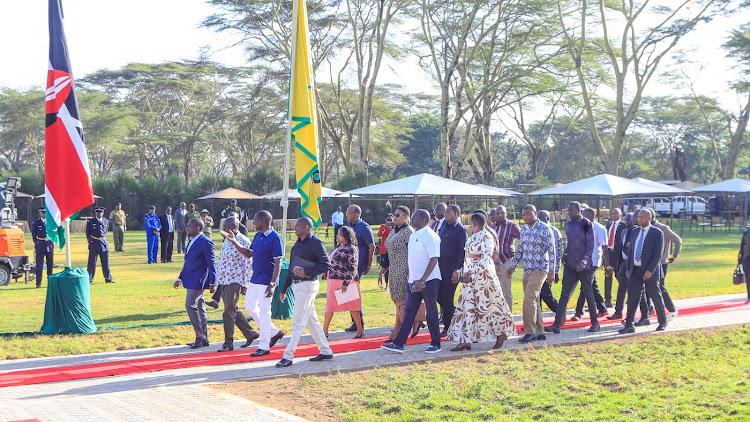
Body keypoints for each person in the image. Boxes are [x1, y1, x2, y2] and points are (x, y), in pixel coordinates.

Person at [447, 212, 515, 351]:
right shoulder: (473, 237)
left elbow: (485, 259)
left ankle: (501, 333)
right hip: (469, 279)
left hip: (484, 279)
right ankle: (465, 340)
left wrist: (470, 271)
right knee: (467, 307)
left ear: (474, 224)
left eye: (471, 224)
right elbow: (468, 257)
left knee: (490, 306)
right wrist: (463, 271)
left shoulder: (486, 236)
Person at [381, 209, 443, 354]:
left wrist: (422, 280)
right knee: (409, 311)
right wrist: (411, 278)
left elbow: (434, 259)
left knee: (431, 312)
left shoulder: (430, 236)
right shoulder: (414, 234)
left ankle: (436, 343)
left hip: (428, 280)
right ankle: (399, 343)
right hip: (413, 281)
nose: (412, 219)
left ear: (423, 220)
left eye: (414, 217)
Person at [276, 217, 333, 367]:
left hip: (308, 284)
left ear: (307, 227)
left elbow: (326, 265)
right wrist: (284, 288)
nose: (294, 228)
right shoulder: (297, 244)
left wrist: (306, 271)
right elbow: (291, 268)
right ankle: (325, 350)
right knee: (310, 320)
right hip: (297, 285)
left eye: (297, 226)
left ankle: (288, 356)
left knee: (298, 321)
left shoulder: (315, 243)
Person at [545, 201, 598, 334]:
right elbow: (570, 242)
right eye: (568, 211)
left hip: (584, 267)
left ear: (579, 211)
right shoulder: (568, 224)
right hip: (570, 265)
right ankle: (556, 325)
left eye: (571, 211)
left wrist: (584, 261)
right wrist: (565, 254)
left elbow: (590, 245)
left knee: (588, 293)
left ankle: (595, 323)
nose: (569, 213)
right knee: (564, 295)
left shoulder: (586, 224)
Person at [509, 205, 556, 343]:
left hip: (540, 268)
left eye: (528, 214)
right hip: (527, 270)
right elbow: (520, 249)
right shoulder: (523, 229)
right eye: (524, 215)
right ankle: (540, 331)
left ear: (535, 213)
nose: (526, 217)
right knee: (534, 300)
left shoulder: (544, 229)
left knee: (529, 298)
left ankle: (530, 331)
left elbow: (552, 251)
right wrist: (512, 266)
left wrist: (552, 272)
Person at [214, 217, 260, 352]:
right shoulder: (227, 240)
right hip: (224, 279)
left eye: (227, 227)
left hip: (235, 280)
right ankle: (250, 333)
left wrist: (245, 284)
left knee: (228, 310)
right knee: (232, 308)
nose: (225, 229)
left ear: (235, 226)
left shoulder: (243, 241)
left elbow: (248, 264)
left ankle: (228, 343)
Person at [619, 208, 668, 334]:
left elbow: (658, 254)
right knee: (632, 297)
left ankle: (662, 321)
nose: (639, 219)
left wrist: (650, 270)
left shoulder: (657, 233)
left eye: (642, 217)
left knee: (655, 296)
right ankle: (629, 324)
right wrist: (629, 268)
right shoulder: (635, 231)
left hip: (649, 271)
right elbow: (632, 251)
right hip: (635, 270)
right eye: (638, 217)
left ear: (649, 219)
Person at [175, 218, 217, 349]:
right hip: (190, 278)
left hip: (199, 280)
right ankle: (204, 337)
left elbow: (212, 264)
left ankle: (200, 336)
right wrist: (180, 278)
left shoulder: (206, 242)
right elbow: (188, 262)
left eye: (190, 227)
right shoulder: (192, 240)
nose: (187, 228)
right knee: (200, 307)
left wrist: (213, 281)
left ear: (198, 228)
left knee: (190, 305)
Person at [379, 206, 418, 343]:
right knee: (396, 300)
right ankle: (412, 325)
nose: (394, 217)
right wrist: (383, 268)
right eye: (394, 215)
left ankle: (397, 332)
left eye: (398, 215)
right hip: (393, 269)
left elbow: (413, 253)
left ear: (406, 217)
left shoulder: (409, 232)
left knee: (401, 301)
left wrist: (410, 272)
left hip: (404, 270)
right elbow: (387, 249)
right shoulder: (393, 230)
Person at [323, 226, 364, 338]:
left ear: (346, 236)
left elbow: (353, 267)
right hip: (333, 280)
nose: (337, 235)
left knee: (353, 307)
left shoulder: (351, 248)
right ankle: (324, 331)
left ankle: (360, 330)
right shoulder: (337, 247)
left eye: (340, 234)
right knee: (330, 306)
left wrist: (346, 282)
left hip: (346, 281)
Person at [571, 208, 609, 319]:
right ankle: (602, 308)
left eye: (584, 215)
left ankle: (578, 312)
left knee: (585, 285)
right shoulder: (581, 227)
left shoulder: (600, 229)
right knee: (592, 285)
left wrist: (607, 264)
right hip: (582, 261)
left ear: (591, 216)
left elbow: (604, 247)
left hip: (593, 261)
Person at [437, 204, 467, 336]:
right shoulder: (443, 227)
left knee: (447, 298)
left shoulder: (460, 230)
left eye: (448, 212)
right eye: (445, 212)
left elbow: (463, 251)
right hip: (439, 268)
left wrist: (458, 269)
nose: (445, 214)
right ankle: (458, 315)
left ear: (456, 214)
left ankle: (448, 327)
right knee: (438, 296)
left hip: (452, 269)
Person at [345, 205, 375, 332]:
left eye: (349, 213)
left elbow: (371, 246)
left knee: (352, 293)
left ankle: (359, 323)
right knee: (348, 293)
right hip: (347, 265)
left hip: (358, 265)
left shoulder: (364, 228)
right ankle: (355, 322)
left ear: (356, 214)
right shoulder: (347, 227)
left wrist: (368, 264)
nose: (347, 215)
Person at [652, 212, 682, 320]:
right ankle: (651, 309)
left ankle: (672, 309)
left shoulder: (663, 228)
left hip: (661, 262)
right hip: (650, 263)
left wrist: (674, 256)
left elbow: (678, 240)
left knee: (660, 287)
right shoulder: (645, 229)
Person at [608, 211, 637, 320]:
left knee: (634, 290)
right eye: (626, 219)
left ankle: (638, 313)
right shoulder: (624, 231)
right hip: (623, 262)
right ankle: (618, 311)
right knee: (621, 288)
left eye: (629, 219)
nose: (627, 221)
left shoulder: (635, 231)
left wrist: (628, 246)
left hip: (632, 263)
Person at [494, 205, 521, 311]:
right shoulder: (492, 227)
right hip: (495, 263)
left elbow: (523, 239)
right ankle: (498, 315)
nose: (500, 215)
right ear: (495, 215)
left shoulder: (512, 226)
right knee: (496, 291)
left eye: (502, 213)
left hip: (506, 261)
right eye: (498, 213)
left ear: (506, 214)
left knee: (506, 292)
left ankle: (508, 318)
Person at [537, 210, 560, 313]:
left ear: (548, 219)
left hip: (548, 268)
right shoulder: (537, 230)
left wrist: (555, 271)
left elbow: (557, 253)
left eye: (542, 218)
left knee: (546, 294)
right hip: (537, 268)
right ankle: (537, 320)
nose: (539, 220)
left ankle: (559, 312)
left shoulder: (554, 232)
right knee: (537, 296)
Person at [604, 208, 626, 308]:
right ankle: (607, 300)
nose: (614, 215)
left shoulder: (623, 226)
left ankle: (627, 297)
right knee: (608, 277)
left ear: (620, 214)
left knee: (620, 276)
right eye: (612, 213)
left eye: (616, 213)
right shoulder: (608, 225)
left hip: (618, 255)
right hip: (609, 253)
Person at [86, 207, 114, 284]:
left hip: (104, 243)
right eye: (98, 212)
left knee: (106, 263)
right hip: (94, 243)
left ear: (103, 213)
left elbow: (105, 231)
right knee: (92, 263)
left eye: (101, 212)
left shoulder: (106, 221)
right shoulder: (91, 221)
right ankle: (90, 279)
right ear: (96, 213)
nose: (99, 214)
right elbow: (88, 234)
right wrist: (90, 243)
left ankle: (108, 278)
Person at [32, 207, 54, 288]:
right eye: (42, 212)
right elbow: (34, 235)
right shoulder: (36, 223)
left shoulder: (50, 222)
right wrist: (37, 243)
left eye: (45, 212)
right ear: (40, 213)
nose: (44, 214)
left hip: (49, 244)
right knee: (39, 265)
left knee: (50, 264)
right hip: (40, 244)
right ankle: (38, 283)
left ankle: (50, 282)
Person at [377, 213, 394, 289]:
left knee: (393, 268)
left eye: (391, 220)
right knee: (385, 268)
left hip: (393, 250)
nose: (389, 221)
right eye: (388, 220)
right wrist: (384, 227)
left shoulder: (395, 227)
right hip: (384, 250)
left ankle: (392, 284)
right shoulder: (383, 226)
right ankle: (386, 284)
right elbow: (379, 235)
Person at [738, 227, 750, 304]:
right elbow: (742, 244)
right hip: (746, 257)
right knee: (748, 277)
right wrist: (740, 256)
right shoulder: (746, 231)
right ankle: (749, 297)